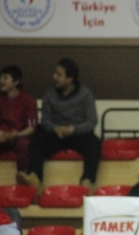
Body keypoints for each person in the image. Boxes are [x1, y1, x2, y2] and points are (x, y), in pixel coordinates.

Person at [17, 58, 100, 191]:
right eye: (55, 73)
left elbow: (91, 121)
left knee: (94, 143)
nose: (54, 77)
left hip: (77, 134)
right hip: (56, 134)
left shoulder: (85, 94)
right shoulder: (50, 94)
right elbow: (45, 121)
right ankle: (35, 177)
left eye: (59, 74)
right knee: (36, 140)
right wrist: (56, 128)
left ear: (70, 78)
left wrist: (74, 129)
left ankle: (87, 180)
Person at [0, 65, 37, 186]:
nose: (1, 81)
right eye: (0, 77)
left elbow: (32, 127)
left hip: (19, 136)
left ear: (16, 82)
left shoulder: (28, 100)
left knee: (25, 144)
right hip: (1, 137)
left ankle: (22, 177)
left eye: (5, 78)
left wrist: (17, 134)